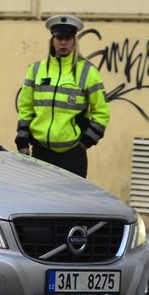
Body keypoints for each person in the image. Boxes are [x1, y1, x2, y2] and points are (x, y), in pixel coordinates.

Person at [15, 14, 109, 178]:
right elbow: (26, 107)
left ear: (74, 41)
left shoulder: (88, 72)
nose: (63, 42)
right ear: (52, 40)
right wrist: (22, 140)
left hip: (72, 155)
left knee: (71, 203)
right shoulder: (36, 70)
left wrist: (85, 143)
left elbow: (102, 112)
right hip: (40, 152)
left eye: (67, 38)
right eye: (59, 38)